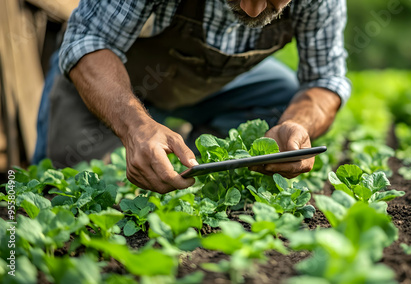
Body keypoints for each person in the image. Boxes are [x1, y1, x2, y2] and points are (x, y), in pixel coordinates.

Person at [34, 0, 351, 194]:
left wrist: (297, 122)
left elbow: (324, 79)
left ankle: (188, 149)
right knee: (74, 191)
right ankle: (147, 139)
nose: (251, 8)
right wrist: (135, 126)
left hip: (211, 87)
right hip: (111, 87)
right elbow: (89, 39)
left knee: (282, 96)